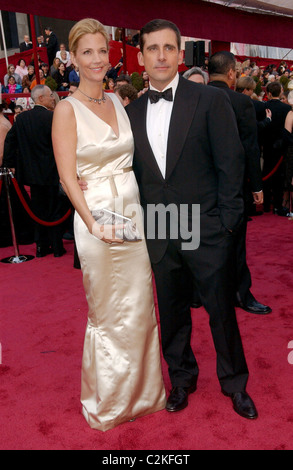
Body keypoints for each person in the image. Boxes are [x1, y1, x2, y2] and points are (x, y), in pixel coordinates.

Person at [126, 19, 257, 419]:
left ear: (181, 55)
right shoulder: (130, 113)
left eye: (169, 48)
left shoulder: (210, 101)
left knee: (221, 311)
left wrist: (227, 224)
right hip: (161, 226)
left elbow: (230, 165)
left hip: (207, 227)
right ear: (141, 57)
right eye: (153, 49)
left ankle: (234, 383)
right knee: (173, 313)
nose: (161, 55)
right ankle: (181, 379)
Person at [51, 18, 166, 432]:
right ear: (74, 58)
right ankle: (109, 403)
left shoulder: (118, 101)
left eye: (102, 51)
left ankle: (145, 396)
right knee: (106, 312)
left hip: (132, 216)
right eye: (87, 52)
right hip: (97, 219)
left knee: (139, 308)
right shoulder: (66, 109)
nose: (97, 59)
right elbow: (67, 176)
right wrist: (92, 222)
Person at [207, 51, 272, 315]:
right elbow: (250, 148)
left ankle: (201, 294)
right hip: (231, 189)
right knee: (235, 243)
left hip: (197, 187)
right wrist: (257, 187)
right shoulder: (239, 102)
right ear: (232, 73)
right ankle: (240, 294)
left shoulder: (191, 97)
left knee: (198, 242)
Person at [3, 85, 68, 258]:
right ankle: (57, 247)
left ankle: (40, 247)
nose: (53, 98)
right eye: (49, 96)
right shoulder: (53, 117)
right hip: (53, 173)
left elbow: (10, 141)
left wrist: (9, 164)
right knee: (54, 210)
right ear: (40, 98)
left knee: (38, 210)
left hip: (32, 175)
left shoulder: (22, 119)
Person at [263, 81, 291, 215]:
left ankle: (266, 204)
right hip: (281, 147)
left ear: (268, 93)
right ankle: (278, 204)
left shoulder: (263, 107)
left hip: (267, 145)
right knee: (279, 176)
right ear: (280, 92)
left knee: (267, 173)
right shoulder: (287, 109)